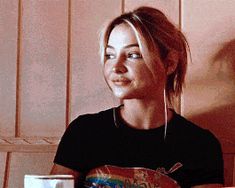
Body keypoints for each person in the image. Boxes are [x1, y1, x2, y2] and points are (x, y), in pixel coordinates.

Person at [50, 6, 224, 188]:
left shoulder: (200, 145)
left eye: (133, 55)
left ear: (170, 63)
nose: (115, 67)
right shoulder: (83, 133)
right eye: (110, 55)